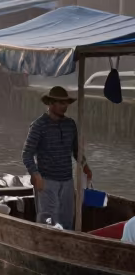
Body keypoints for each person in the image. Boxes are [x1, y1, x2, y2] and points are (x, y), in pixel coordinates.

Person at [22, 85, 91, 230]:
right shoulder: (38, 125)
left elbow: (76, 150)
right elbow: (27, 154)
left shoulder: (70, 124)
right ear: (51, 103)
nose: (64, 106)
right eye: (60, 103)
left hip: (67, 181)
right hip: (47, 181)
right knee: (48, 221)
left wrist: (85, 166)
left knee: (67, 220)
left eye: (65, 103)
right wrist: (35, 174)